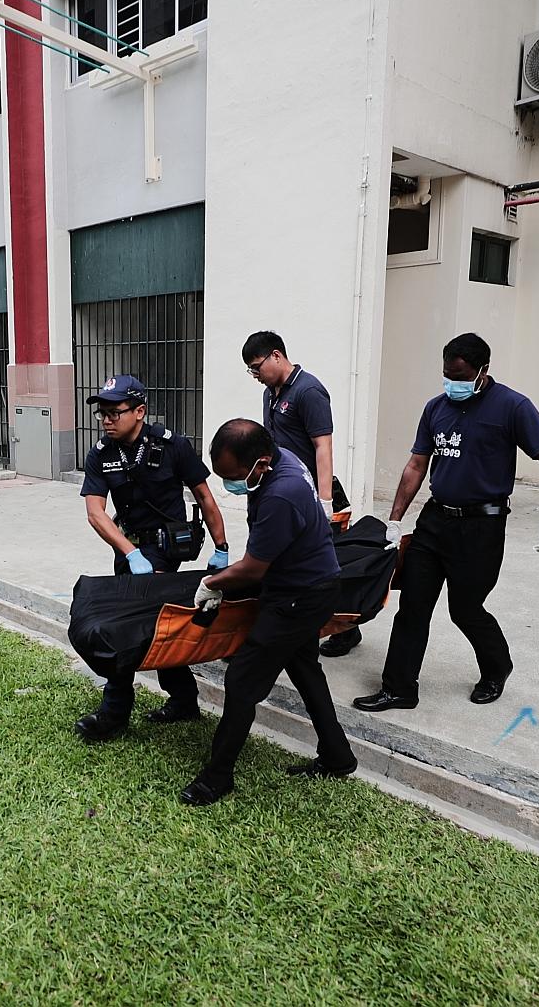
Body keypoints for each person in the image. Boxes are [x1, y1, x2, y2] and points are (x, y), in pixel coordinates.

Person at [353, 332, 539, 713]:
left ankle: (497, 667)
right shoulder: (435, 408)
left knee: (466, 610)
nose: (452, 383)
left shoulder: (512, 407)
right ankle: (399, 688)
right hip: (434, 521)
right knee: (413, 606)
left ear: (483, 370)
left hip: (481, 528)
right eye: (447, 375)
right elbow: (416, 465)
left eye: (460, 376)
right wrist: (395, 519)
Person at [179, 419, 356, 807]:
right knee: (306, 670)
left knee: (243, 680)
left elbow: (254, 569)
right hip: (310, 584)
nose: (230, 485)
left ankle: (216, 777)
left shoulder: (281, 494)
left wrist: (212, 583)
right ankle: (338, 756)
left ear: (261, 463)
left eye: (234, 477)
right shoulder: (281, 458)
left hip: (299, 597)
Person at [75, 375, 230, 742]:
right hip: (128, 548)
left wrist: (221, 546)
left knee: (129, 625)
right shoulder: (101, 453)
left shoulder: (172, 445)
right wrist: (130, 553)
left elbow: (204, 496)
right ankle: (184, 698)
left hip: (164, 548)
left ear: (140, 411)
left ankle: (114, 712)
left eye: (114, 412)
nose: (106, 420)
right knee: (159, 625)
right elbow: (95, 513)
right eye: (102, 413)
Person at [242, 331, 359, 658]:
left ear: (276, 355)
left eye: (257, 367)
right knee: (282, 559)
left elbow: (323, 447)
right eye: (251, 370)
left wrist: (325, 502)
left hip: (310, 493)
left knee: (320, 566)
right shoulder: (270, 393)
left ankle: (347, 629)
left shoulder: (309, 391)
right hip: (282, 489)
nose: (255, 375)